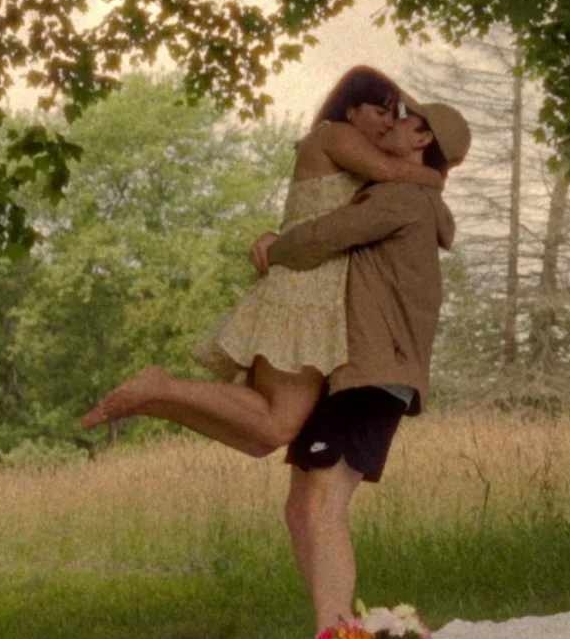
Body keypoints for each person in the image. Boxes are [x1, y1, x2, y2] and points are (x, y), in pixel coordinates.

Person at [77, 66, 443, 454]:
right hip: (306, 287)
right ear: (351, 109)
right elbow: (389, 171)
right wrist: (438, 175)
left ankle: (155, 399)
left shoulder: (356, 157)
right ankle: (162, 387)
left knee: (263, 437)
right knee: (276, 423)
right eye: (380, 111)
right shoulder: (336, 135)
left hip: (313, 284)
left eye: (393, 114)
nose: (388, 123)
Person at [254, 97, 466, 639]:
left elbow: (323, 235)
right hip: (359, 370)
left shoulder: (402, 198)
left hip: (376, 372)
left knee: (323, 504)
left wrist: (275, 246)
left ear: (422, 140)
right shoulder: (400, 194)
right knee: (301, 507)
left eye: (405, 119)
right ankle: (336, 638)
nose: (391, 122)